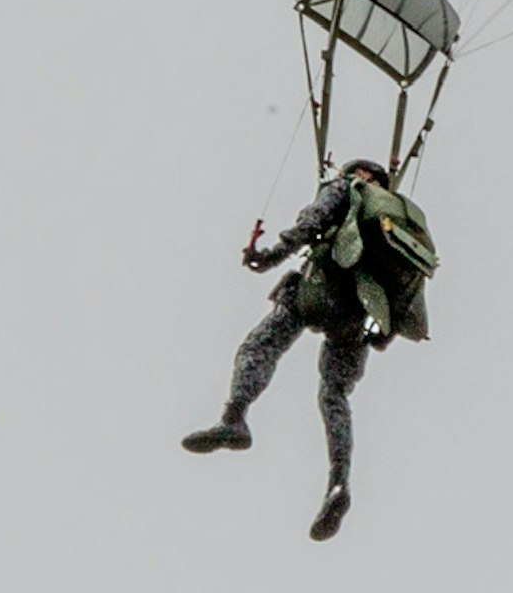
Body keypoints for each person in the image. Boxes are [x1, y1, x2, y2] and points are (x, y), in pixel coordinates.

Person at [180, 156, 438, 541]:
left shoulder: (348, 190)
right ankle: (339, 483)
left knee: (260, 345)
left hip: (319, 290)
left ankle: (234, 417)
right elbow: (409, 296)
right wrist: (380, 333)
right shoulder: (397, 222)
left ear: (361, 175)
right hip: (359, 310)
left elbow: (310, 225)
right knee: (334, 395)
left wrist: (268, 257)